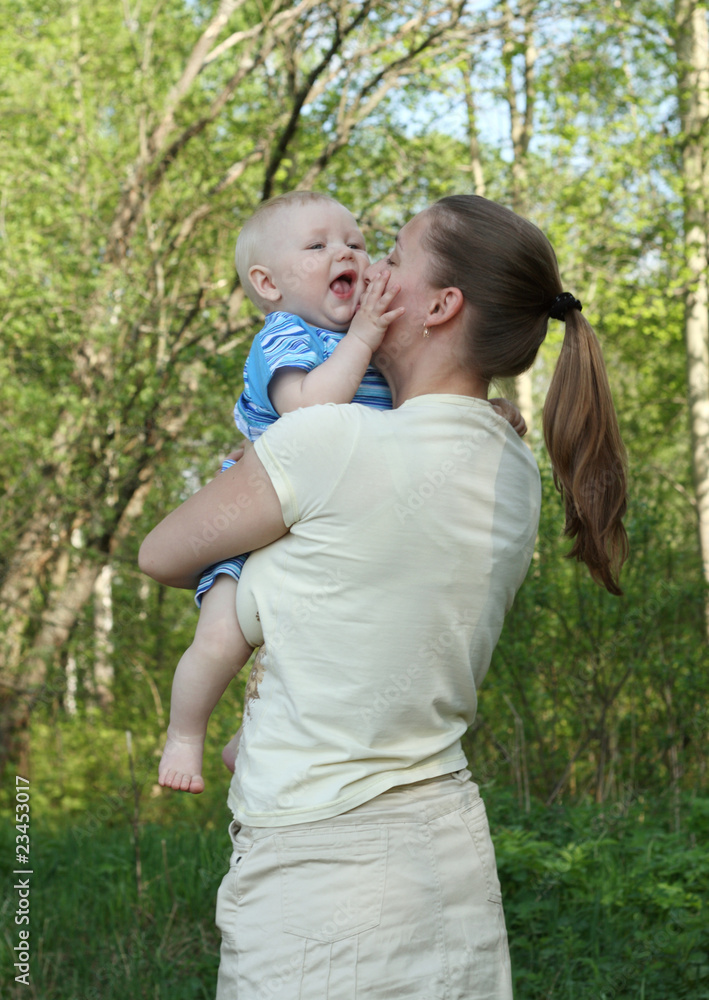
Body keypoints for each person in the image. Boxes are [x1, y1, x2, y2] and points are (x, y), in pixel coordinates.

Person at [139, 194, 627, 999]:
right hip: (449, 863)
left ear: (440, 306)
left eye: (391, 256)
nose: (369, 269)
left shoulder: (329, 442)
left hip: (321, 877)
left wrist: (255, 469)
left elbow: (162, 553)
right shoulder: (513, 467)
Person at [158, 191, 525, 794]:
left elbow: (414, 419)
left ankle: (251, 737)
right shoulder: (285, 336)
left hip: (319, 514)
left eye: (357, 243)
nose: (347, 254)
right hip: (257, 517)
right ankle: (183, 735)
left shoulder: (373, 346)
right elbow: (308, 412)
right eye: (318, 245)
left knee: (334, 635)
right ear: (268, 284)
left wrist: (482, 411)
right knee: (222, 636)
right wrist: (364, 337)